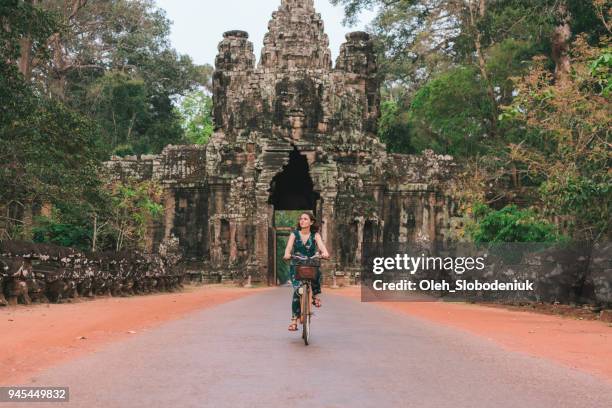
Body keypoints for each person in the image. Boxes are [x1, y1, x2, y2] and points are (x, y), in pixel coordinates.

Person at [283, 212, 330, 332]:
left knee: (316, 274)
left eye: (305, 219)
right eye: (300, 219)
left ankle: (314, 296)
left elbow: (321, 246)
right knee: (297, 290)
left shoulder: (315, 235)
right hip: (297, 265)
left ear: (311, 222)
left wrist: (324, 253)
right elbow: (288, 247)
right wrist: (287, 254)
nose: (302, 221)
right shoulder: (294, 234)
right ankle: (294, 321)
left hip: (310, 264)